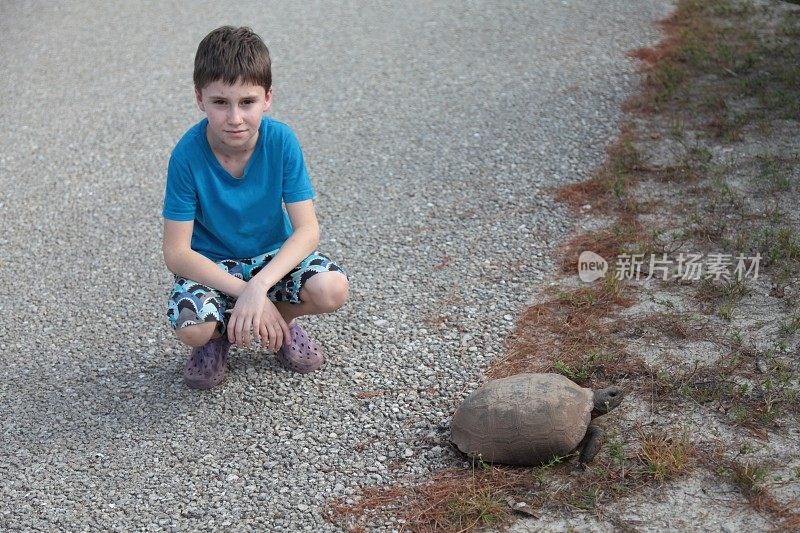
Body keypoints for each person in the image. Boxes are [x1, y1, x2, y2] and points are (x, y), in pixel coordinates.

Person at [162, 26, 349, 389]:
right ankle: (218, 336)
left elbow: (308, 229)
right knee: (193, 327)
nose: (235, 117)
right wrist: (242, 291)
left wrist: (259, 288)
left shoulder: (281, 141)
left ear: (267, 98)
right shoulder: (186, 155)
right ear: (200, 99)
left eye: (247, 102)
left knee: (332, 288)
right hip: (213, 264)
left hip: (271, 258)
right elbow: (177, 252)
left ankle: (276, 320)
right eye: (220, 102)